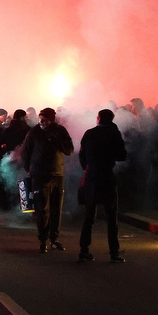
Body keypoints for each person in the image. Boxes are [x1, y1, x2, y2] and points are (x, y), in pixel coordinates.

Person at [77, 109, 128, 263]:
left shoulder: (89, 133)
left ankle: (84, 250)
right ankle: (114, 252)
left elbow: (82, 155)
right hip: (107, 177)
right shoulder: (114, 133)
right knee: (111, 216)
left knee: (89, 216)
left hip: (92, 177)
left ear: (98, 118)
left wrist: (87, 167)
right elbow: (122, 155)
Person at [21, 107, 74, 253]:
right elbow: (25, 153)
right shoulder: (34, 132)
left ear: (51, 119)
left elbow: (69, 150)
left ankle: (54, 239)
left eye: (44, 119)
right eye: (40, 118)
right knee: (42, 209)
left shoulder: (60, 131)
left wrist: (55, 139)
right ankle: (42, 240)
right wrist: (30, 170)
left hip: (57, 175)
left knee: (56, 209)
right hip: (39, 176)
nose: (41, 121)